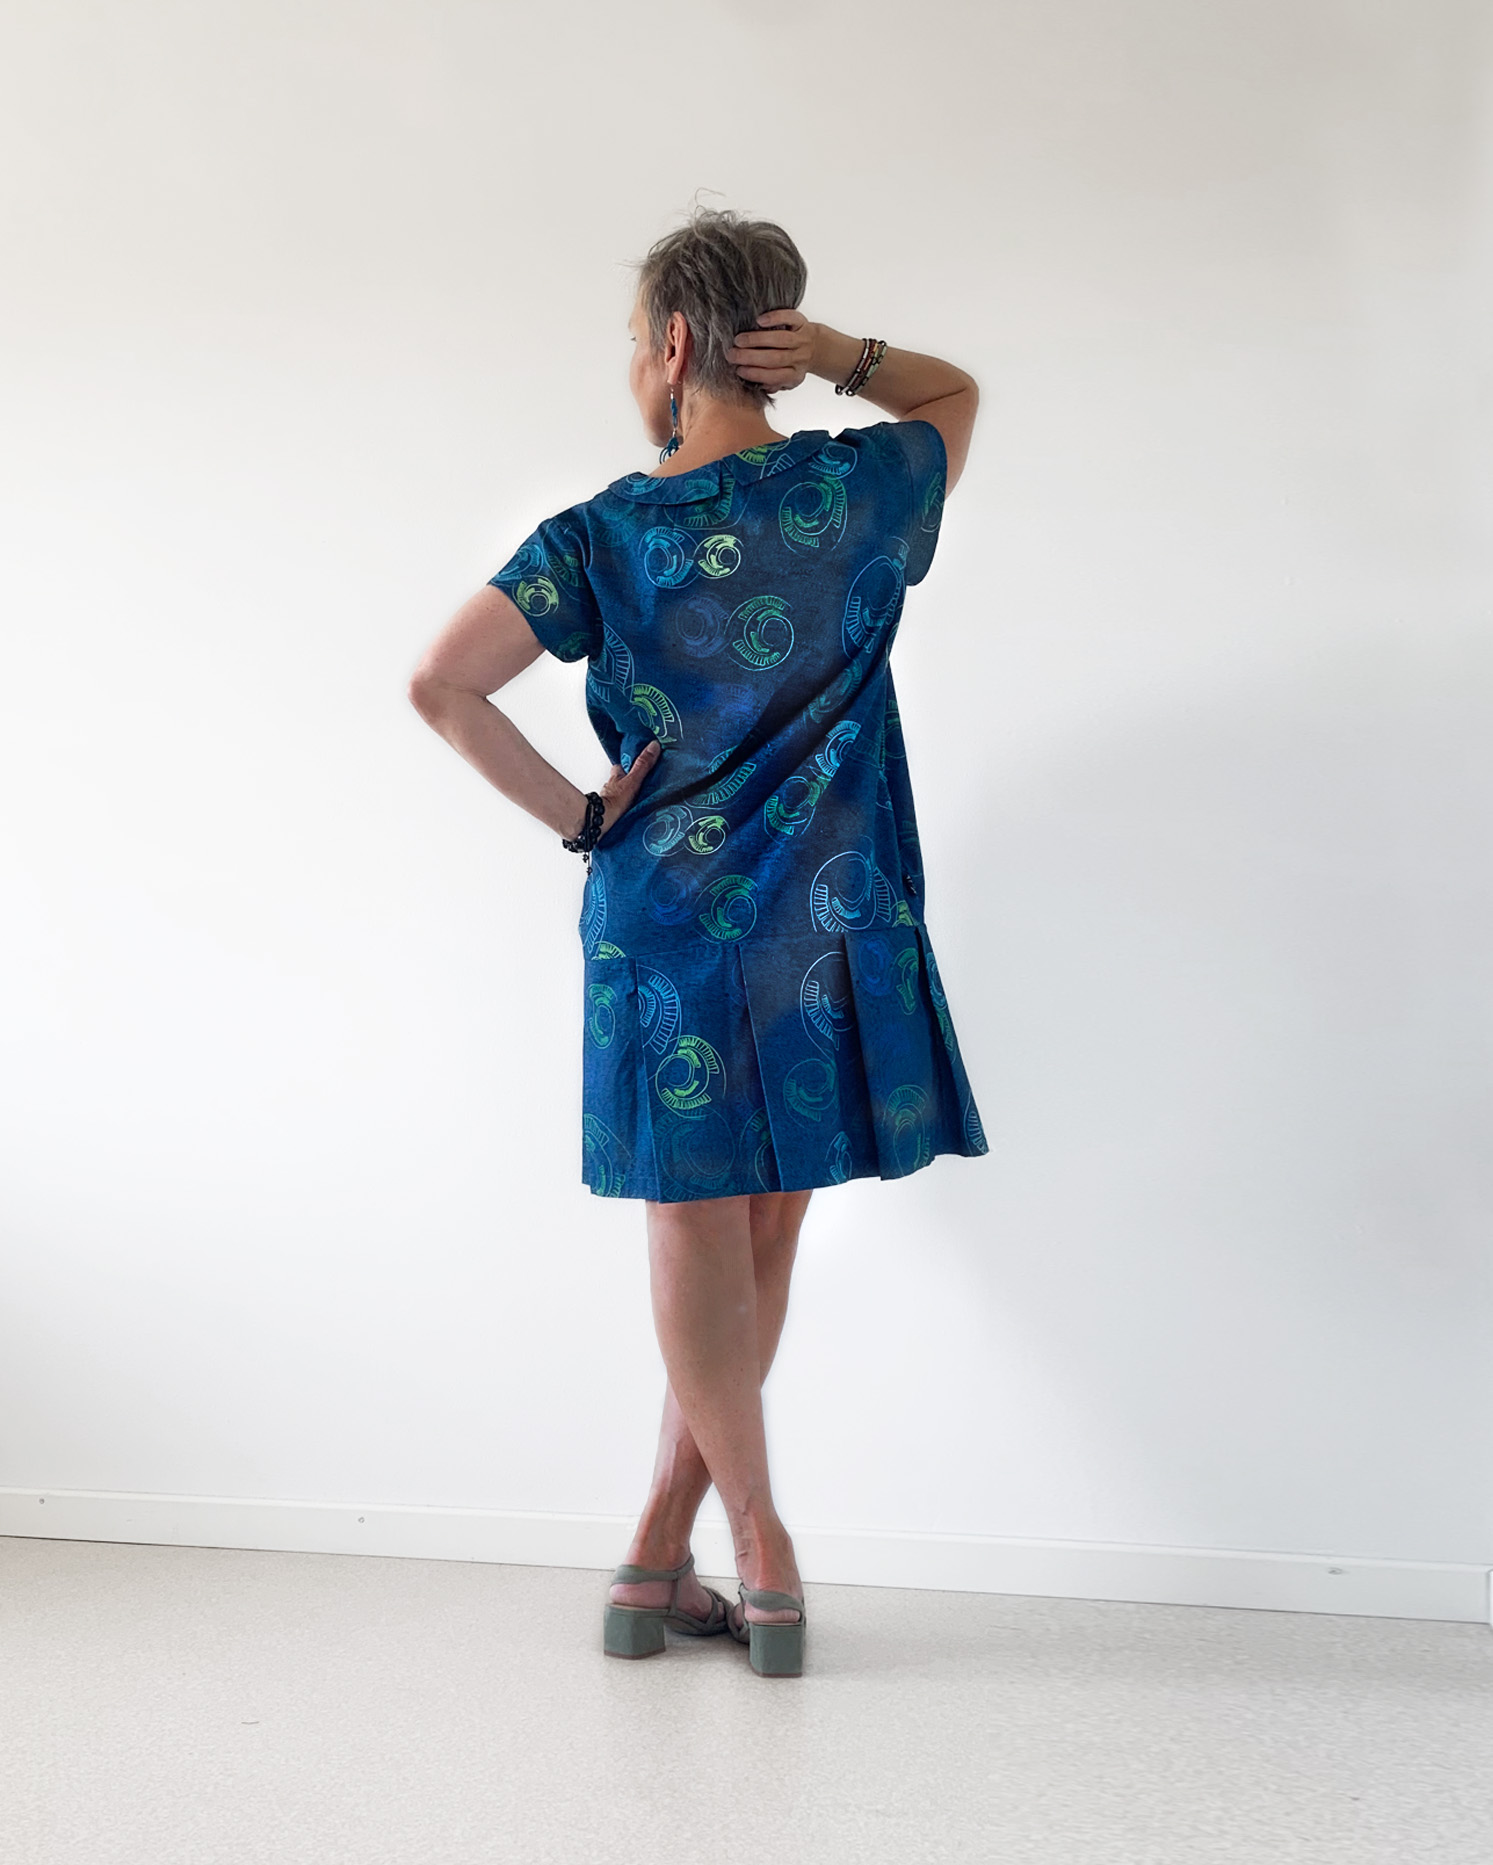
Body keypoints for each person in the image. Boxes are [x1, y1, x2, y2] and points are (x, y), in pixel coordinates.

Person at [408, 207, 987, 1677]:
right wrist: (840, 351)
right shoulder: (858, 488)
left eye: (635, 339)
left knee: (698, 1222)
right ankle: (715, 1552)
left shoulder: (599, 537)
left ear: (672, 342)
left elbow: (442, 684)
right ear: (767, 340)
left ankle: (710, 1550)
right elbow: (950, 392)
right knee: (764, 1222)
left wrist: (581, 814)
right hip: (826, 915)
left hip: (662, 920)